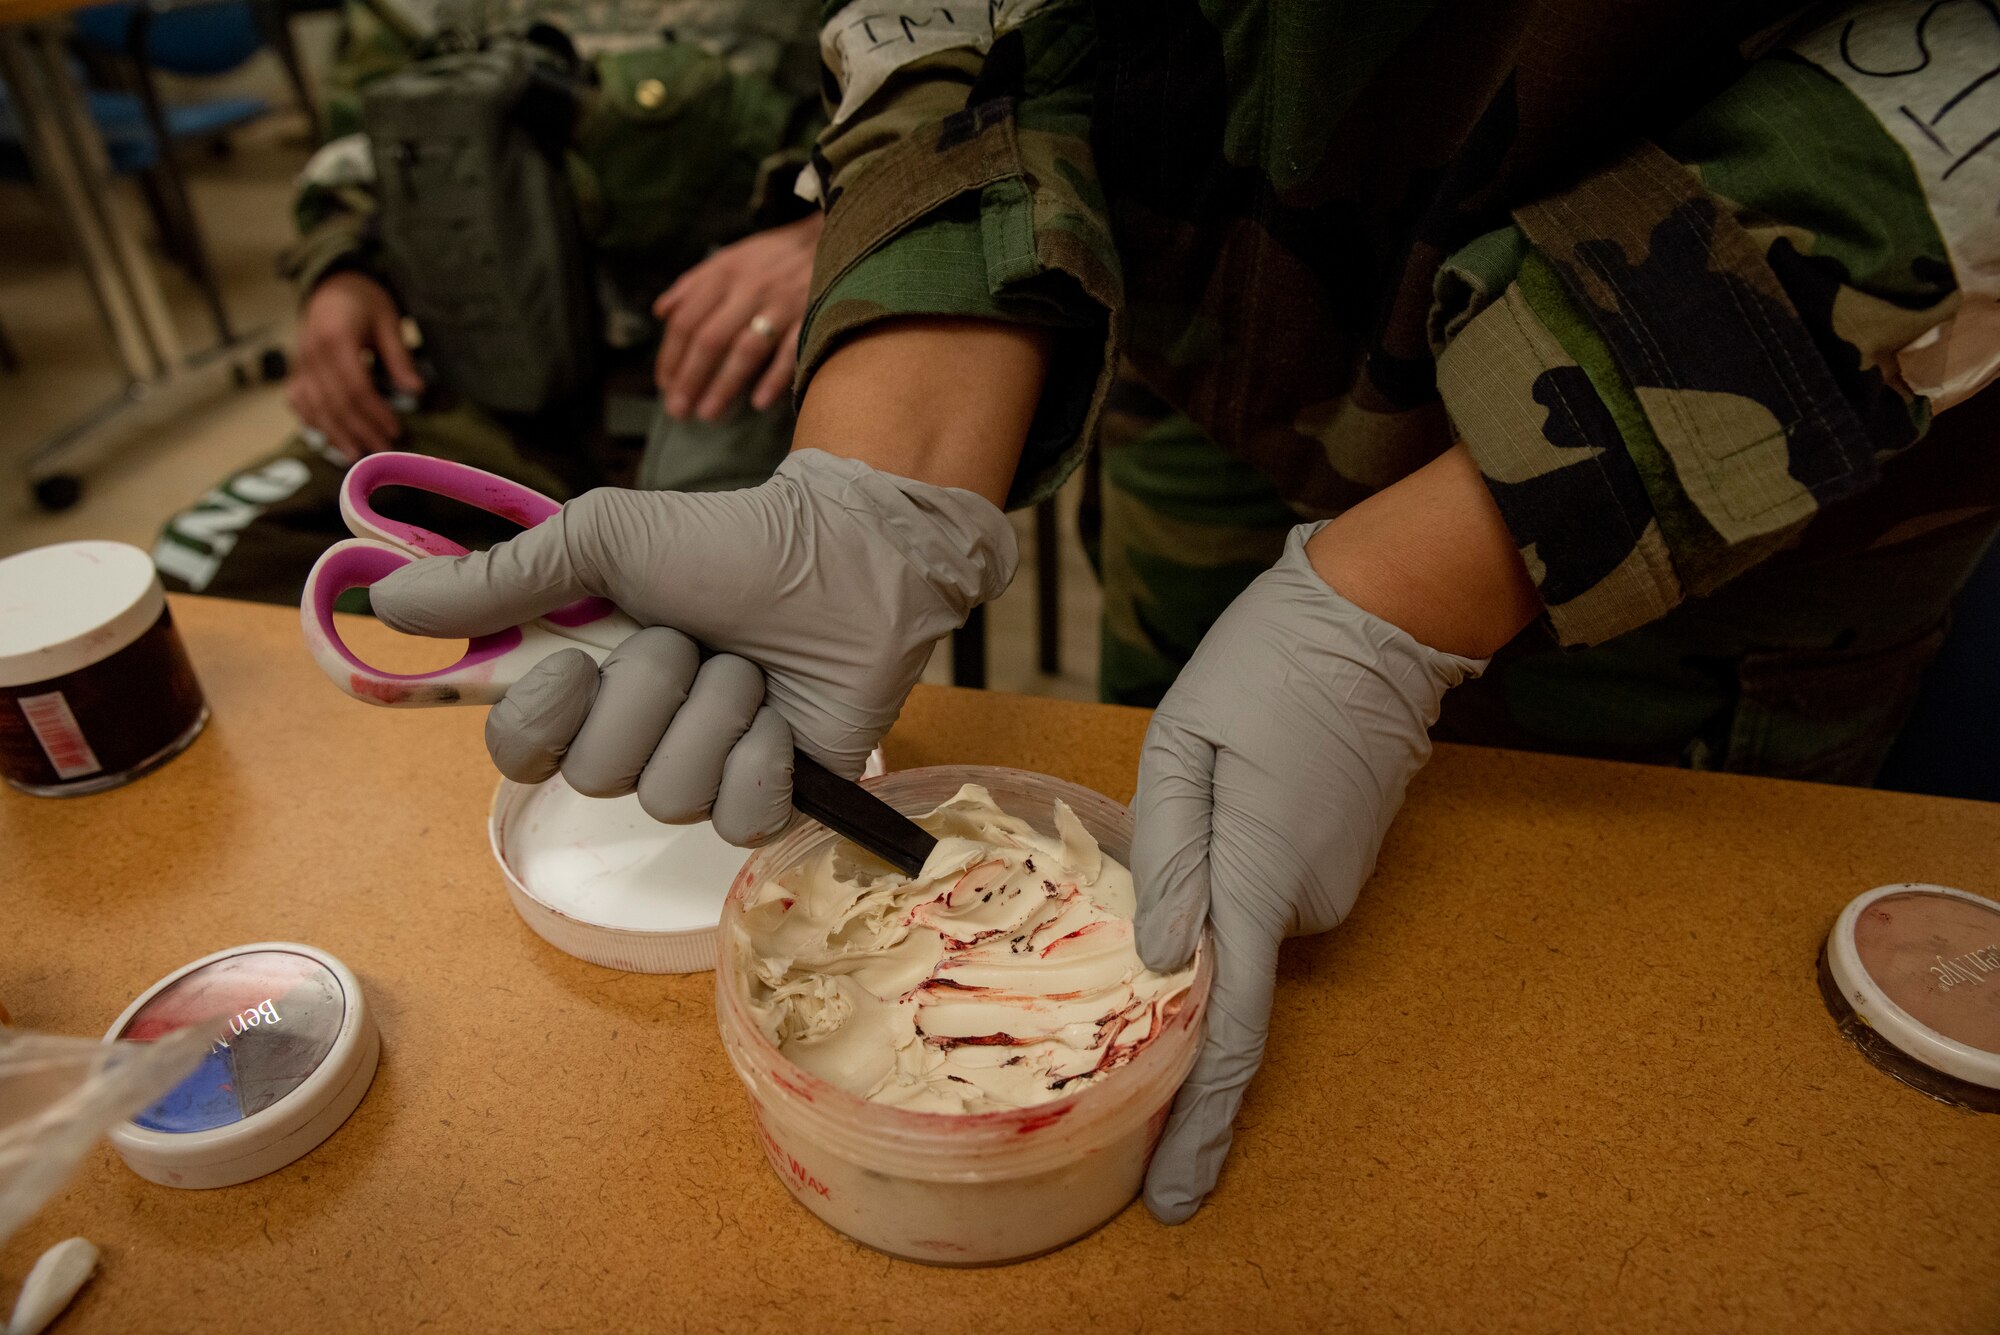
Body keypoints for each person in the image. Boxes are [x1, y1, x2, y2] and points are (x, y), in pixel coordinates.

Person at [366, 0, 2000, 1225]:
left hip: (1731, 454)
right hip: (1205, 323)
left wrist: (1413, 588)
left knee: (1578, 1086)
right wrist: (888, 470)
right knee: (1172, 834)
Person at [152, 0, 823, 602]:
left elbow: (921, 114)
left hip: (738, 385)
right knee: (200, 570)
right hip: (486, 375)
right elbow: (364, 131)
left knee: (727, 642)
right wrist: (342, 266)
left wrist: (825, 232)